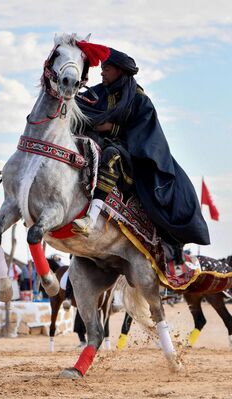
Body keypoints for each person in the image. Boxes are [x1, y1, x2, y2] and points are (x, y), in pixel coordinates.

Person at [72, 47, 209, 260]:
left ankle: (92, 215)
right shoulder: (97, 92)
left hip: (130, 153)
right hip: (94, 142)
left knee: (111, 154)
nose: (102, 72)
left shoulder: (139, 100)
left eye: (107, 69)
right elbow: (75, 107)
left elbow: (146, 134)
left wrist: (112, 129)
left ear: (120, 71)